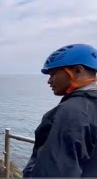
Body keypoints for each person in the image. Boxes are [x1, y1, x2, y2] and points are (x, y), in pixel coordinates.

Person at [23, 44, 97, 177]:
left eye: (53, 74)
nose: (49, 81)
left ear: (78, 70)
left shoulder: (70, 112)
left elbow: (52, 172)